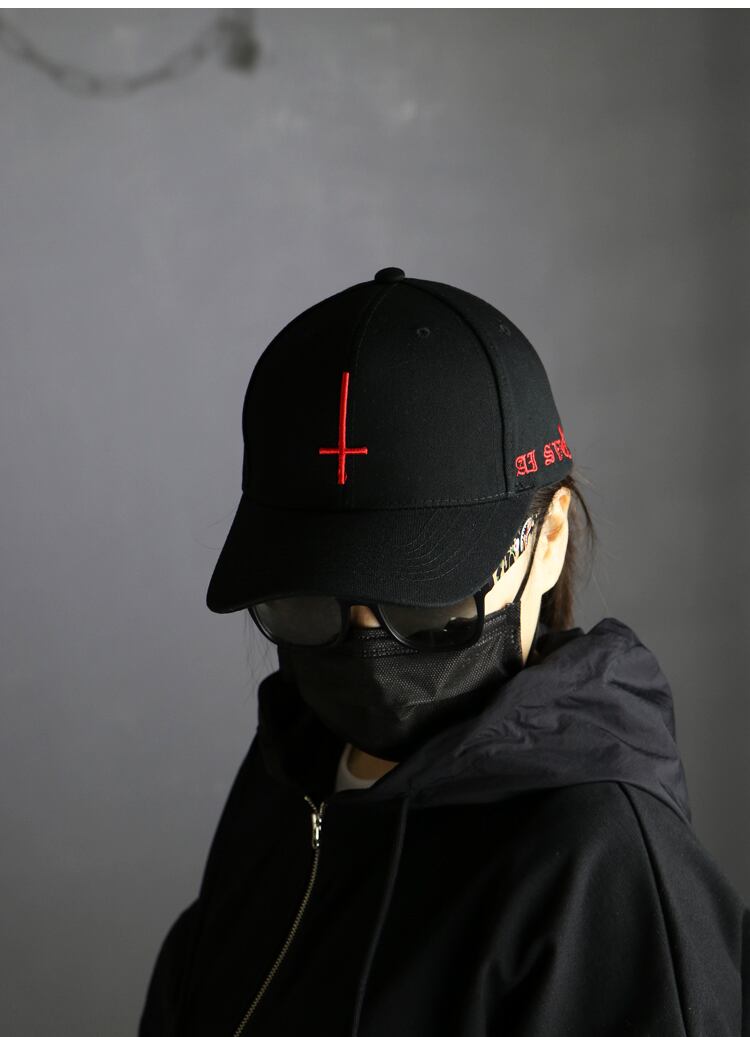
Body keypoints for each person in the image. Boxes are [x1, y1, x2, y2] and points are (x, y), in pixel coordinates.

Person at [138, 267, 748, 1037]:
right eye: (308, 600)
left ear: (548, 538)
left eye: (426, 601)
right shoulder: (289, 776)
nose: (365, 646)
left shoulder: (601, 869)